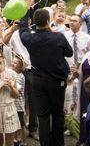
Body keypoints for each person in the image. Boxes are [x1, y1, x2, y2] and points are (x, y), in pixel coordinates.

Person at [19, 8, 72, 146]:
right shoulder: (58, 37)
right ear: (49, 21)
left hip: (39, 82)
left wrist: (26, 12)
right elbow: (69, 53)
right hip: (56, 81)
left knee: (43, 116)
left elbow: (23, 29)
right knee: (57, 115)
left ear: (35, 23)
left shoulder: (30, 38)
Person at [0, 48, 21, 146]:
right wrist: (1, 85)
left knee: (9, 143)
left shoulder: (12, 73)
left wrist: (11, 86)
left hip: (10, 110)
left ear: (3, 58)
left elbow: (17, 95)